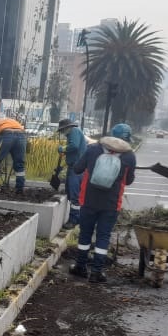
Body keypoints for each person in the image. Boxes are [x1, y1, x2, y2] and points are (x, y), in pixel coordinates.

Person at [68, 122, 137, 284]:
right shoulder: (129, 156)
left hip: (88, 200)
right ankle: (96, 272)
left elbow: (78, 169)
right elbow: (128, 181)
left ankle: (80, 266)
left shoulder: (94, 149)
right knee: (103, 236)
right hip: (111, 204)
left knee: (85, 233)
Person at [57, 117, 86, 225]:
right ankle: (75, 217)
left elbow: (74, 146)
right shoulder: (73, 134)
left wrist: (63, 149)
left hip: (77, 168)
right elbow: (73, 152)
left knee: (74, 194)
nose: (62, 133)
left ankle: (74, 220)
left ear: (67, 128)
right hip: (73, 166)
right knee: (69, 192)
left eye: (62, 130)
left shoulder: (74, 131)